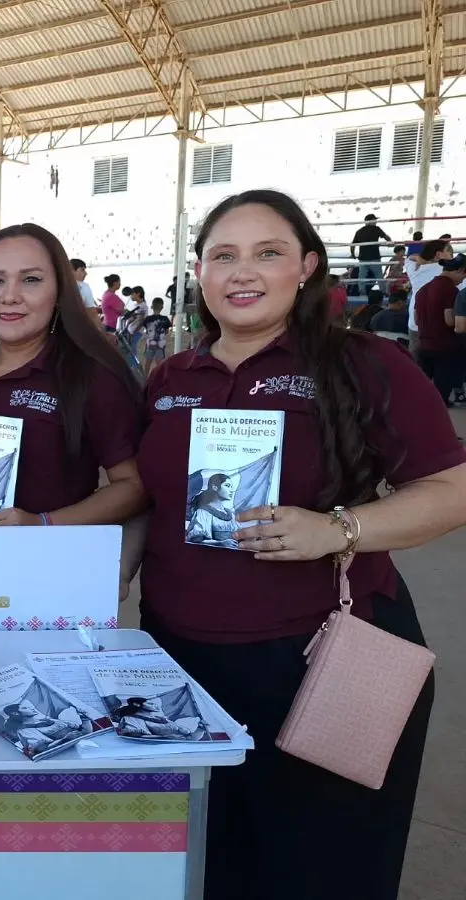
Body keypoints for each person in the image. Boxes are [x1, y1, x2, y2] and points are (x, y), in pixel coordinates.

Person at [130, 188, 466, 900]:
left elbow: (451, 489)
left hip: (319, 656)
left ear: (307, 266)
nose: (242, 272)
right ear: (199, 271)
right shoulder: (171, 378)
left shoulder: (360, 362)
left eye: (268, 252)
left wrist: (337, 529)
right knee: (206, 863)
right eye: (223, 255)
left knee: (323, 866)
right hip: (181, 662)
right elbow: (150, 503)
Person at [0, 223, 144, 529]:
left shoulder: (90, 375)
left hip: (46, 557)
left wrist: (42, 524)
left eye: (31, 280)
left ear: (59, 292)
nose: (10, 296)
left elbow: (133, 486)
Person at [413, 254, 466, 404]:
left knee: (421, 390)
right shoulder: (450, 290)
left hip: (423, 345)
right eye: (463, 276)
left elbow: (416, 319)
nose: (462, 280)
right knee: (441, 396)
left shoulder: (423, 290)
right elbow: (449, 320)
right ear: (459, 270)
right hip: (444, 347)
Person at [405, 239, 452, 351]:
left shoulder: (415, 269)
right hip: (440, 325)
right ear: (439, 254)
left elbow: (409, 258)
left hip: (416, 323)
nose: (452, 257)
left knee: (415, 357)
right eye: (450, 253)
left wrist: (418, 258)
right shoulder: (449, 271)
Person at [350, 214, 390, 291]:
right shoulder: (376, 229)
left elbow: (352, 245)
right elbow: (386, 237)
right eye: (374, 220)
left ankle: (362, 293)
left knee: (362, 278)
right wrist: (390, 242)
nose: (376, 222)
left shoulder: (359, 231)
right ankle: (383, 292)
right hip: (374, 258)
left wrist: (353, 255)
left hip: (363, 259)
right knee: (379, 277)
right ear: (371, 221)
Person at [141, 298, 171, 374]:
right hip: (161, 345)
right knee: (159, 362)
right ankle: (159, 376)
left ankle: (145, 376)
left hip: (149, 344)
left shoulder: (147, 319)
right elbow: (167, 331)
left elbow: (147, 330)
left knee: (148, 362)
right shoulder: (165, 319)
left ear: (152, 307)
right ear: (162, 307)